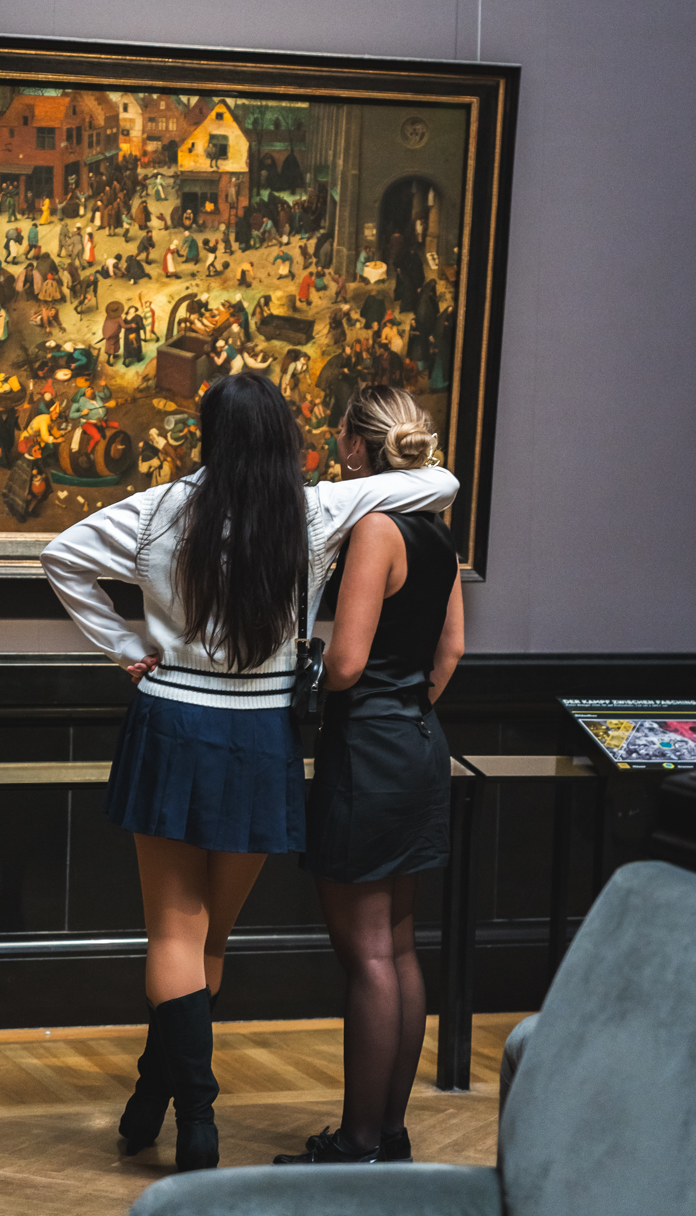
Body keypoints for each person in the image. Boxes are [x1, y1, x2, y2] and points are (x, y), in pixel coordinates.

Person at [40, 375, 458, 1174]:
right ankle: (161, 1100)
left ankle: (192, 1120)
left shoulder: (160, 508)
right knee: (213, 936)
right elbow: (439, 483)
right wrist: (390, 458)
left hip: (173, 720)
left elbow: (61, 557)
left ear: (208, 435)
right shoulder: (316, 510)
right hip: (263, 729)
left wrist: (125, 646)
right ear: (285, 437)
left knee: (176, 933)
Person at [273, 385, 464, 1168]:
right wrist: (407, 704)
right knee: (400, 947)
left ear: (357, 447)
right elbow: (450, 652)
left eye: (339, 437)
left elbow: (346, 664)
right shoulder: (437, 533)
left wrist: (301, 670)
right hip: (420, 743)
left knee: (368, 957)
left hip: (366, 752)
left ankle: (354, 1144)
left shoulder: (376, 528)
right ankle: (389, 1133)